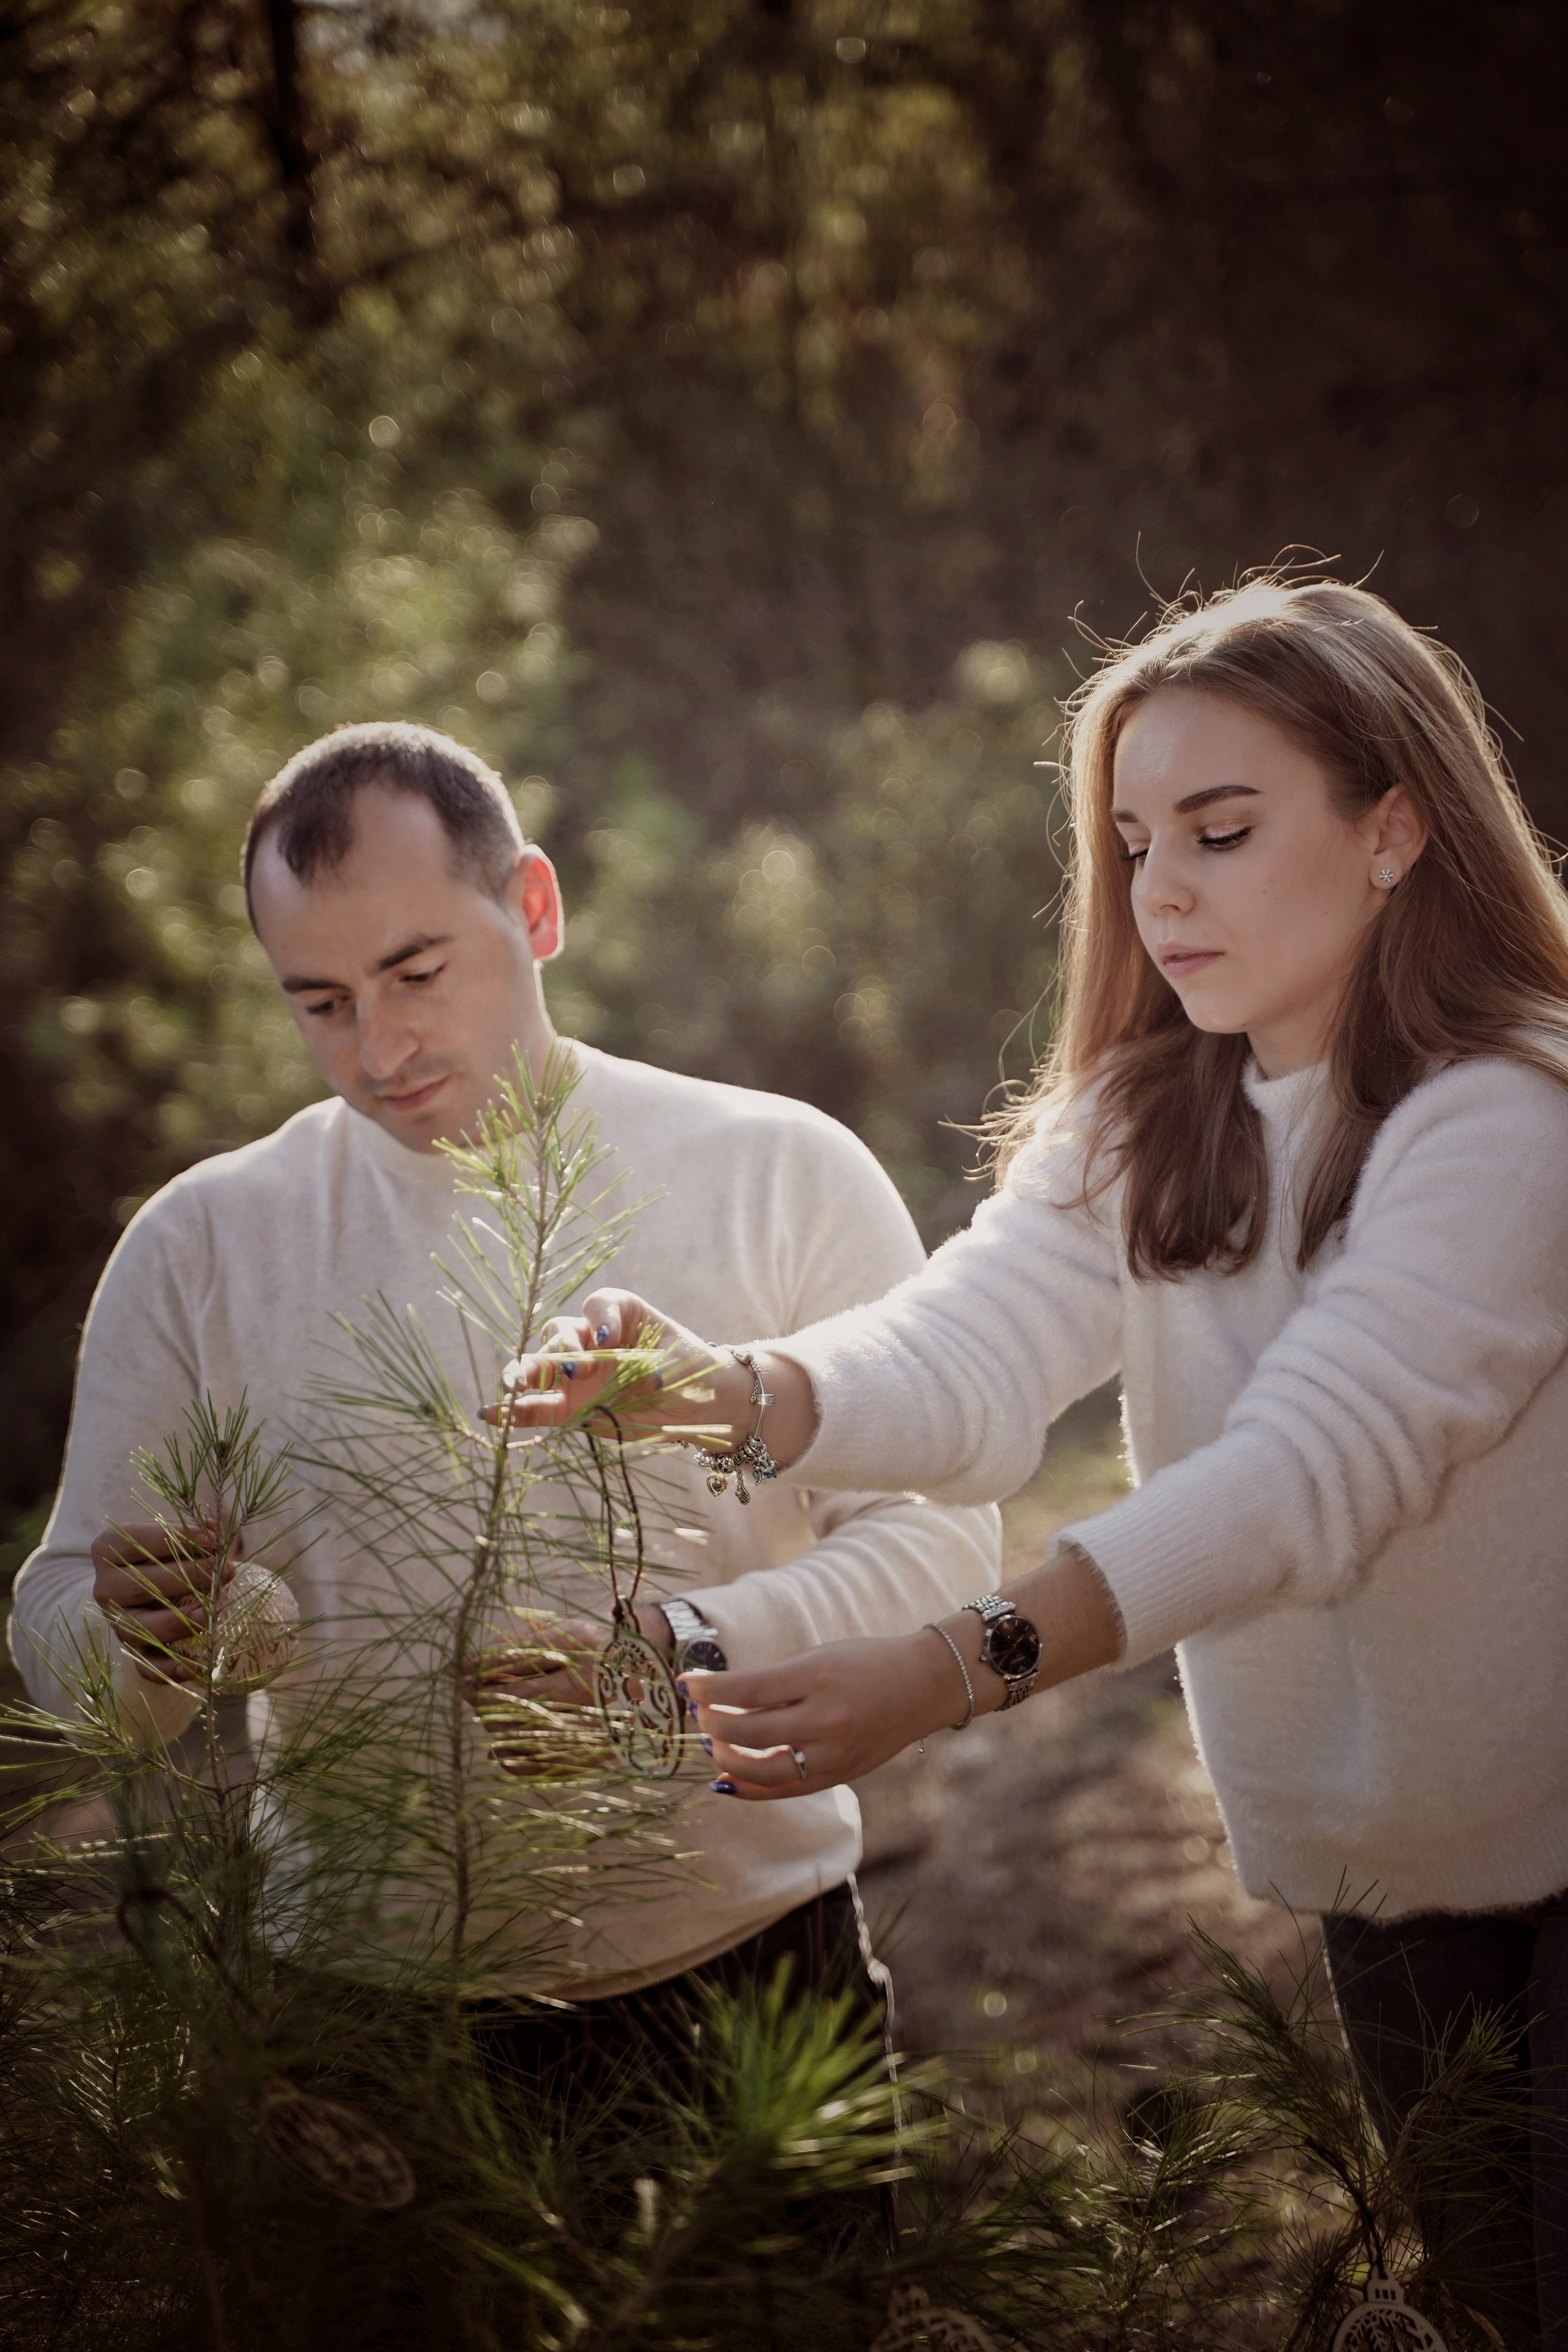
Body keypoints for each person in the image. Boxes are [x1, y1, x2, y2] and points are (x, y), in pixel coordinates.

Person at [500, 578, 1568, 2343]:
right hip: (1400, 1863)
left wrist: (955, 1667)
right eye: (1137, 840)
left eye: (1223, 831)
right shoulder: (1153, 1117)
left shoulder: (1514, 1115)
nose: (1162, 891)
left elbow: (1311, 1472)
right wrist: (719, 1387)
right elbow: (965, 1352)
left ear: (1398, 829)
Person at [8, 721, 1000, 2077]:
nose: (377, 1046)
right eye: (320, 1001)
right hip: (356, 2016)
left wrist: (683, 1649)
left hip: (748, 1977)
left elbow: (942, 1540)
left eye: (416, 971)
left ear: (532, 906)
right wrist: (143, 1648)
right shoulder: (199, 1247)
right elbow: (63, 1614)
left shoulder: (780, 1171)